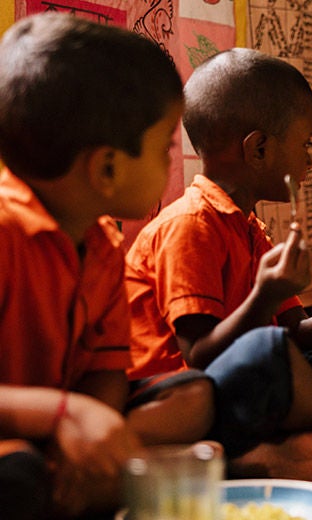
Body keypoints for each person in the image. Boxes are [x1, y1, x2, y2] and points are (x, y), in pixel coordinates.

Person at [124, 47, 312, 481]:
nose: (309, 159)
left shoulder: (249, 228)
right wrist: (262, 297)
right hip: (183, 399)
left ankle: (309, 431)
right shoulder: (191, 224)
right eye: (305, 144)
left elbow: (298, 331)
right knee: (266, 350)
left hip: (256, 387)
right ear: (259, 149)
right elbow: (199, 356)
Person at [0, 13, 213, 518]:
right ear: (107, 168)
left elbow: (105, 369)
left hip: (63, 426)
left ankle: (90, 476)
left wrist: (94, 422)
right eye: (164, 147)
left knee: (194, 394)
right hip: (18, 437)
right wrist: (63, 414)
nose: (171, 164)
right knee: (15, 476)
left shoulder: (101, 241)